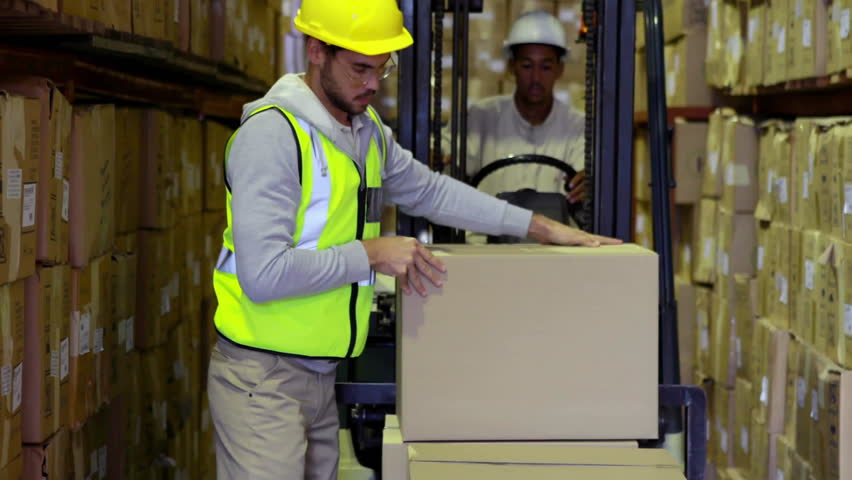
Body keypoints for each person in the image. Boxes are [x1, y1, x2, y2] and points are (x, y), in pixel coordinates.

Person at [207, 2, 620, 479]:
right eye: (360, 68)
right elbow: (264, 275)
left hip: (320, 376)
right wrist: (371, 254)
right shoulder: (274, 137)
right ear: (316, 51)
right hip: (264, 379)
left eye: (382, 69)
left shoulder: (365, 135)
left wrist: (542, 227)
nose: (373, 84)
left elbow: (431, 191)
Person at [446, 10, 587, 205]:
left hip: (556, 234)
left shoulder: (578, 128)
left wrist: (589, 183)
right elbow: (443, 155)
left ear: (559, 69)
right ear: (512, 66)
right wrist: (437, 158)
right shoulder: (480, 118)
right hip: (485, 234)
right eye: (527, 66)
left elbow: (591, 176)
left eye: (545, 67)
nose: (536, 78)